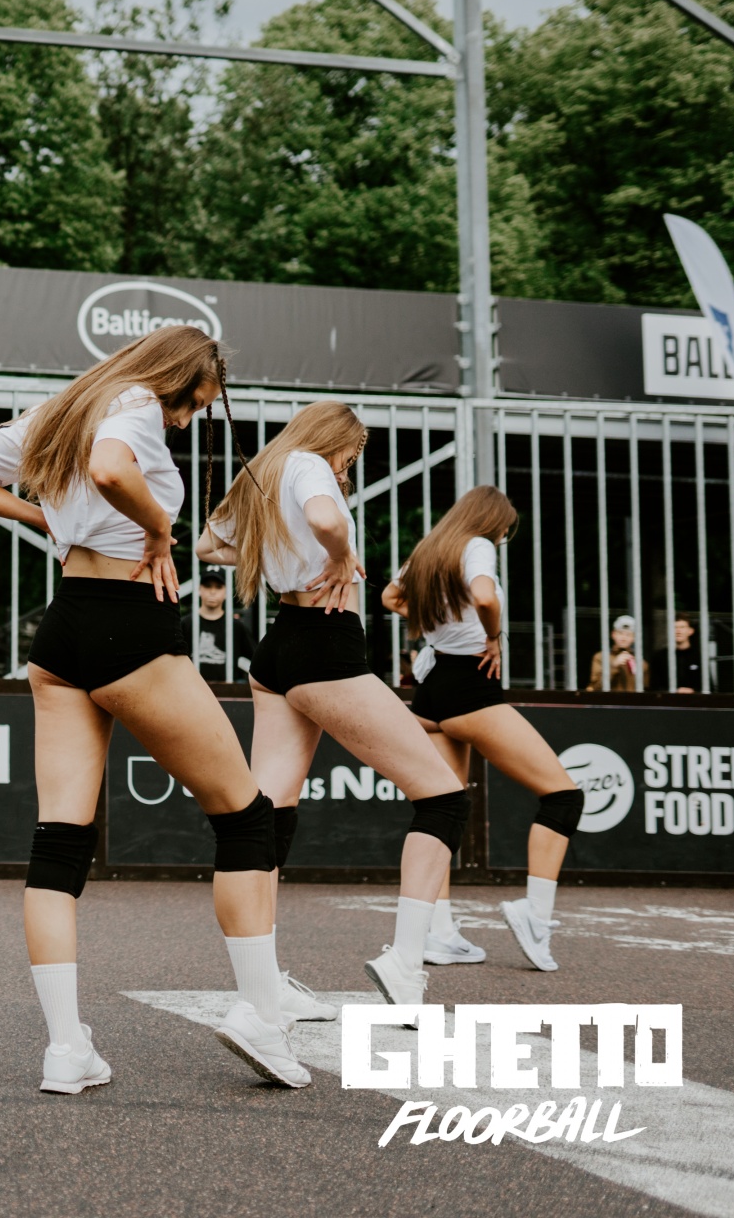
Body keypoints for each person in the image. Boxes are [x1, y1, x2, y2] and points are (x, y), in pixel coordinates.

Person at [0, 325, 309, 1093]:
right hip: (129, 625)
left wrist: (45, 520)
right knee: (245, 818)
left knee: (60, 841)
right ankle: (260, 1016)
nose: (188, 420)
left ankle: (66, 1048)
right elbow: (111, 469)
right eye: (194, 403)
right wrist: (160, 528)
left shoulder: (59, 411)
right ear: (179, 377)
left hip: (64, 628)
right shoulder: (135, 403)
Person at [197, 401, 469, 1015]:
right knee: (444, 798)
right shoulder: (309, 464)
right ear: (337, 440)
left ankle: (263, 985)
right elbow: (324, 517)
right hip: (325, 646)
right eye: (354, 451)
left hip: (279, 650)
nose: (350, 464)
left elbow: (208, 547)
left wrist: (274, 552)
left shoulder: (265, 473)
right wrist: (340, 553)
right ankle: (405, 964)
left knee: (267, 820)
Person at [384, 487, 582, 972]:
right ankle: (535, 916)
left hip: (431, 690)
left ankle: (440, 933)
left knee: (443, 807)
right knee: (563, 796)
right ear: (494, 522)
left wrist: (436, 621)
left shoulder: (430, 549)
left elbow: (391, 596)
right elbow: (485, 595)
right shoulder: (477, 545)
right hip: (470, 685)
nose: (502, 537)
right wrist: (492, 637)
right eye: (504, 530)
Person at [193, 569, 254, 683]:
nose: (212, 591)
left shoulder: (236, 627)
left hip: (229, 690)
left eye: (218, 587)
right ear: (199, 589)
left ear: (226, 591)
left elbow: (256, 659)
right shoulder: (186, 624)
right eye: (208, 586)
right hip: (191, 689)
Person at [585, 615, 642, 692]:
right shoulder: (600, 657)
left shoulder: (641, 662)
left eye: (628, 635)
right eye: (620, 633)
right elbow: (594, 688)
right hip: (608, 700)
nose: (624, 638)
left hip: (632, 700)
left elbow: (646, 691)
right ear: (613, 634)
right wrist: (613, 666)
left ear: (634, 638)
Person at [662, 616, 702, 694]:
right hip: (669, 700)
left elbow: (708, 686)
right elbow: (655, 687)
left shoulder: (699, 657)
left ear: (691, 631)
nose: (678, 631)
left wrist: (693, 691)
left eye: (682, 627)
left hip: (695, 700)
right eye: (675, 627)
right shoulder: (660, 657)